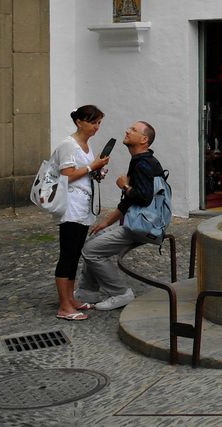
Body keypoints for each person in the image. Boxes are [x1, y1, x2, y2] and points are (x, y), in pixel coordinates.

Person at [76, 120, 164, 311]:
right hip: (139, 222)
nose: (127, 130)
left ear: (144, 139)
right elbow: (128, 202)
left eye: (133, 130)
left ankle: (120, 293)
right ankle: (87, 292)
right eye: (129, 127)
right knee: (95, 239)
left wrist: (124, 185)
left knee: (91, 250)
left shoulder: (144, 164)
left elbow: (143, 198)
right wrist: (106, 222)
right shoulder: (141, 160)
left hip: (142, 227)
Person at [52, 105, 111, 321]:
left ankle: (70, 299)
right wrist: (91, 167)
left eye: (98, 123)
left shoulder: (86, 145)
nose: (96, 127)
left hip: (83, 204)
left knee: (75, 253)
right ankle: (64, 306)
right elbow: (66, 175)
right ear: (80, 122)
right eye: (93, 122)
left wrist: (97, 171)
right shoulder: (69, 145)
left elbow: (84, 172)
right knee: (67, 254)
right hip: (71, 205)